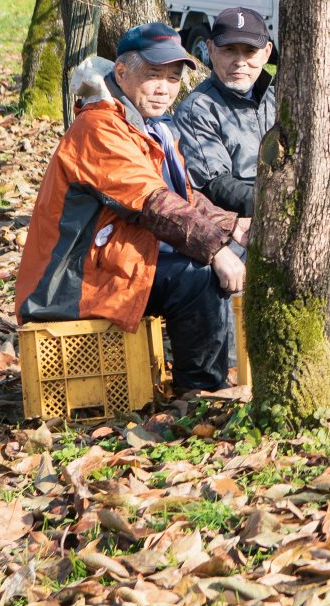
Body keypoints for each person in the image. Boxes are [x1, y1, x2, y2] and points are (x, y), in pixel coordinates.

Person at [174, 8, 330, 379]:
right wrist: (290, 208)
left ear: (267, 51)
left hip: (301, 205)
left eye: (249, 51)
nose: (240, 62)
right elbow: (216, 184)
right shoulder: (199, 107)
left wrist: (311, 203)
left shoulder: (282, 97)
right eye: (229, 51)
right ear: (209, 50)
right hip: (242, 221)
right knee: (318, 236)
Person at [15, 21, 243, 396]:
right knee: (197, 277)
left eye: (173, 79)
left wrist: (232, 227)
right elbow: (153, 202)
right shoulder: (99, 127)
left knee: (230, 256)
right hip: (68, 283)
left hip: (109, 262)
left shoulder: (146, 127)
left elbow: (180, 196)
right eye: (153, 75)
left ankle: (225, 377)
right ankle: (202, 396)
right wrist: (215, 249)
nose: (164, 89)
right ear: (121, 72)